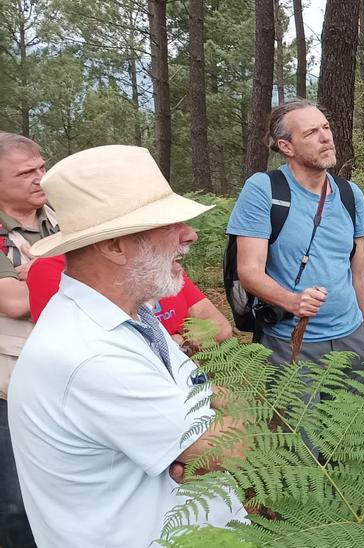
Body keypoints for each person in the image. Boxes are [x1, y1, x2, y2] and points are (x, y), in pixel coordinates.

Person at [8, 145, 245, 546]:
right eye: (168, 225)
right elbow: (234, 450)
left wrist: (201, 436)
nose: (190, 234)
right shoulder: (88, 355)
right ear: (114, 246)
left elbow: (208, 399)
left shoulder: (133, 317)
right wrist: (216, 436)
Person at [226, 99, 364, 368]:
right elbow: (249, 271)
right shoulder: (264, 190)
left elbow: (362, 271)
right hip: (288, 340)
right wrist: (293, 302)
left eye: (326, 127)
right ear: (287, 147)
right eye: (311, 133)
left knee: (353, 412)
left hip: (353, 337)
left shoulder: (349, 194)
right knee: (298, 413)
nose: (326, 138)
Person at [0, 132, 51, 548]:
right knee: (16, 501)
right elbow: (14, 302)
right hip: (10, 384)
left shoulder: (64, 214)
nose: (40, 178)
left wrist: (38, 274)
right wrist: (77, 273)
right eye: (26, 173)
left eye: (41, 167)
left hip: (69, 375)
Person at [26, 254, 234, 347]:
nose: (189, 235)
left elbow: (219, 326)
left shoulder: (159, 264)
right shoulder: (53, 271)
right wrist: (177, 343)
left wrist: (178, 343)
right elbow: (88, 357)